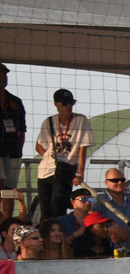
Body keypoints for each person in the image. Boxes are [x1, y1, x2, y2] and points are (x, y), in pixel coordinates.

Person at [35, 89, 93, 219]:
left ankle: (59, 237)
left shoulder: (81, 120)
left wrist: (80, 173)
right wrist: (49, 156)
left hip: (66, 170)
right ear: (56, 104)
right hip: (45, 171)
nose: (69, 106)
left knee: (58, 210)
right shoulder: (49, 121)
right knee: (45, 212)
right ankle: (46, 235)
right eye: (65, 103)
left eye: (71, 103)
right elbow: (38, 146)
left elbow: (83, 149)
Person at [95, 167, 130, 252]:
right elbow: (92, 225)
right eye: (115, 180)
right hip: (113, 254)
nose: (120, 182)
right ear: (106, 183)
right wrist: (109, 231)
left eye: (122, 179)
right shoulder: (99, 202)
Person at [0, 64, 26, 201]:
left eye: (5, 75)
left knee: (10, 189)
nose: (4, 78)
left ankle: (7, 221)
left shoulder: (15, 101)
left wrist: (19, 149)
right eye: (1, 74)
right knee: (0, 182)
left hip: (13, 150)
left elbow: (22, 129)